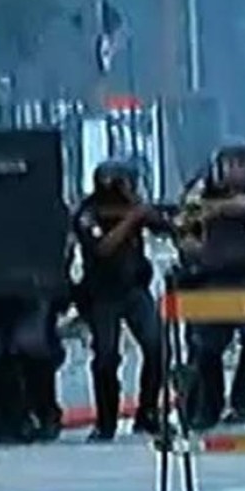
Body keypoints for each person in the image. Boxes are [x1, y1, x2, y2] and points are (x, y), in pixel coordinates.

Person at [176, 140, 245, 434]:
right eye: (232, 164)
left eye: (244, 164)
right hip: (213, 281)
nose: (238, 170)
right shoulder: (198, 192)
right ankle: (206, 408)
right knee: (205, 348)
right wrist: (219, 212)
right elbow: (185, 226)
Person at [72, 159, 167, 441]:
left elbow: (165, 227)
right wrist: (132, 219)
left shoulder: (134, 208)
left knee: (157, 348)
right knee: (106, 357)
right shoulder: (88, 212)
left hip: (134, 289)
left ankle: (148, 412)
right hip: (102, 294)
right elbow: (102, 247)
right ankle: (106, 422)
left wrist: (147, 212)